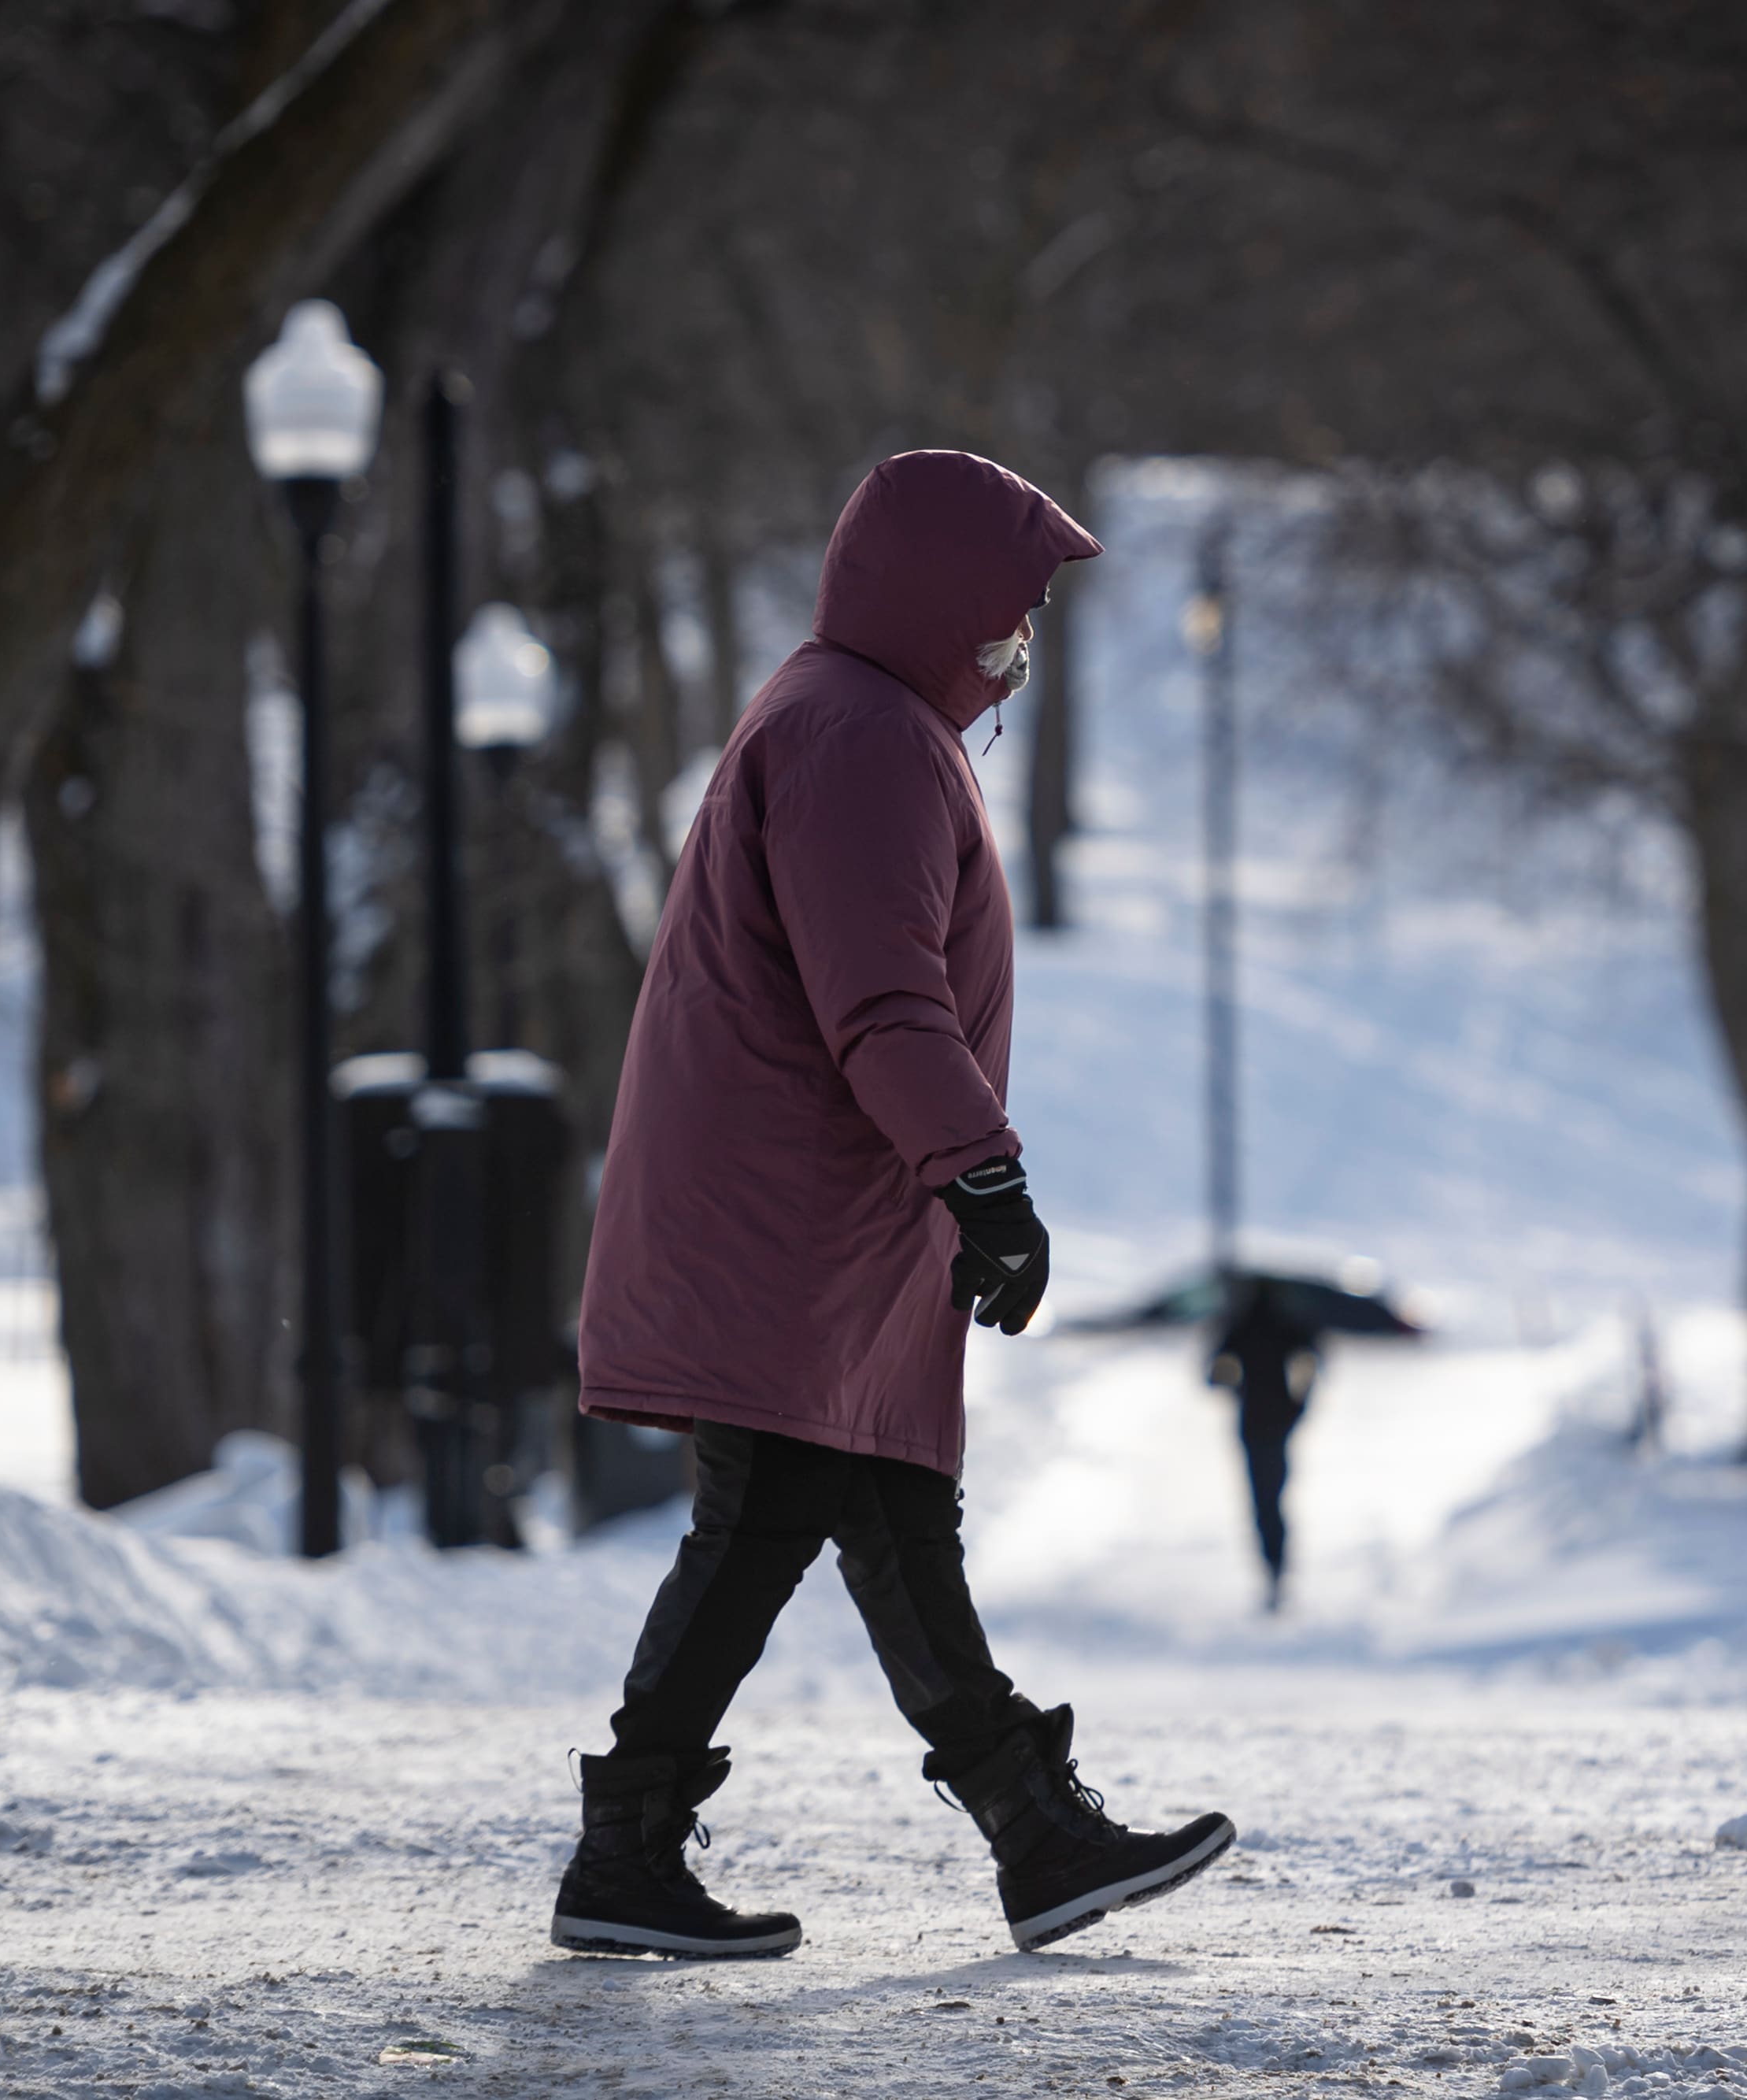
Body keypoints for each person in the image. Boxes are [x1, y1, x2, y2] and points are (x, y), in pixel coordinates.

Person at [550, 451, 1235, 1961]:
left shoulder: (859, 719)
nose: (1023, 639)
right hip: (796, 1212)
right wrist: (981, 1174)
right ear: (938, 595)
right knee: (773, 1513)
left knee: (892, 1513)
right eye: (1012, 605)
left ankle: (1033, 1832)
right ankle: (627, 1850)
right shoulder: (859, 735)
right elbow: (882, 998)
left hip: (823, 1211)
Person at [1210, 1275, 1323, 1610]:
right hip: (1279, 1423)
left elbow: (1213, 1373)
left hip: (1254, 1423)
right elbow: (1313, 1360)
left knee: (1264, 1500)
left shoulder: (1241, 1326)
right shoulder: (1285, 1324)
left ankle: (1274, 1568)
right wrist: (1299, 1403)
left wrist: (1235, 1387)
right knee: (1274, 1498)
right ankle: (1276, 1568)